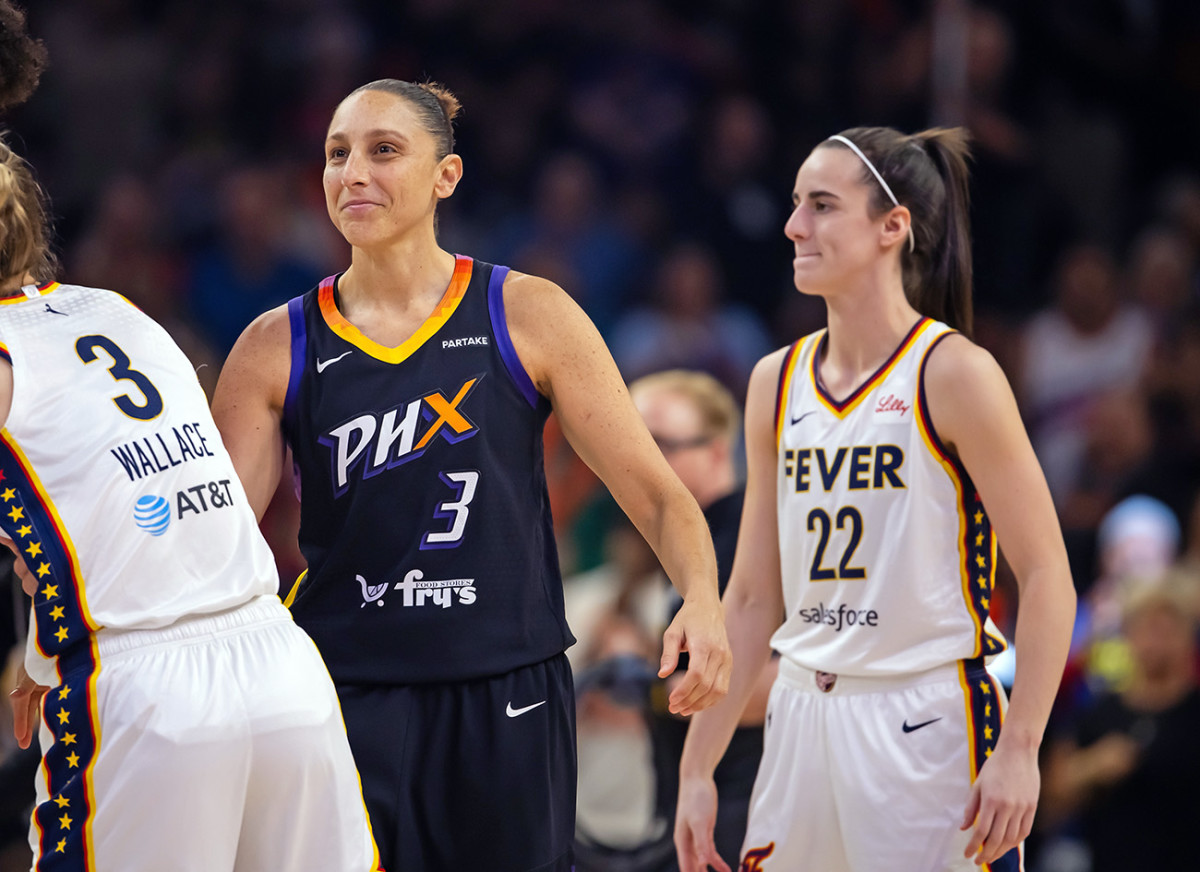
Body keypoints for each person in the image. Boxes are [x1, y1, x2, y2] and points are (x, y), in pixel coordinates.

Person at [211, 78, 731, 872]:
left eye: (385, 151)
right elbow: (210, 551)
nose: (354, 173)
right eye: (336, 154)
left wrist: (702, 598)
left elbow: (659, 495)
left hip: (507, 688)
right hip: (345, 690)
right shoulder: (272, 345)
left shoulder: (526, 312)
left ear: (445, 176)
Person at [0, 8, 380, 868]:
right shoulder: (121, 315)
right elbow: (125, 509)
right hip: (280, 669)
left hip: (153, 703)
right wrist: (39, 640)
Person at [674, 127, 1076, 872]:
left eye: (822, 205)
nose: (795, 225)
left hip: (924, 720)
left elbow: (1049, 573)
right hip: (799, 712)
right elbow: (755, 596)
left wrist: (1021, 748)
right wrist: (697, 770)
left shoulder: (955, 373)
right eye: (796, 204)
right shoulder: (774, 380)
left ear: (894, 227)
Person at [629, 369, 778, 870]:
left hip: (742, 803)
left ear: (717, 451)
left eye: (660, 444)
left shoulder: (743, 539)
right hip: (694, 796)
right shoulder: (676, 544)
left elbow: (787, 681)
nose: (637, 462)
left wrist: (657, 685)